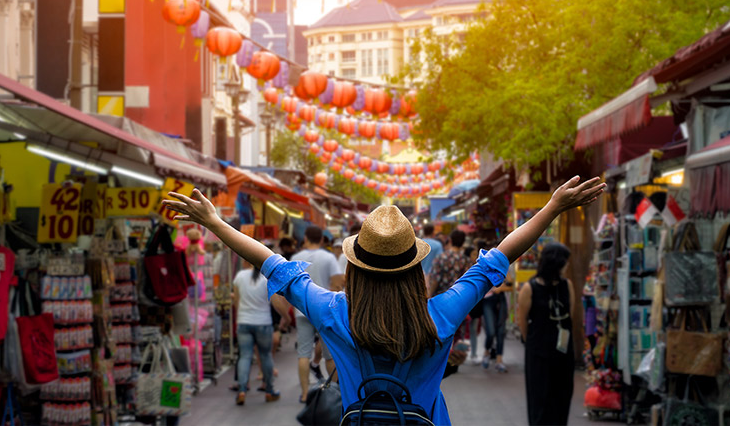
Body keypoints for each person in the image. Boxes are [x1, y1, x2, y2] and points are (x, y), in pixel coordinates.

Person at [164, 175, 604, 425]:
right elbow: (500, 256)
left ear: (356, 266)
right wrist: (552, 208)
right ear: (415, 267)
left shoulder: (335, 313)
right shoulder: (441, 315)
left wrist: (216, 224)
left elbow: (273, 263)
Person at [517, 242, 576, 425]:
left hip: (563, 352)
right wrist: (532, 343)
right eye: (564, 262)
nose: (566, 266)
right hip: (539, 353)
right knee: (539, 399)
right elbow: (522, 320)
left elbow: (570, 315)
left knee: (562, 397)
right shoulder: (530, 288)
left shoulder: (567, 285)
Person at [290, 225, 345, 403]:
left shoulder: (296, 258)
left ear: (305, 238)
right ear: (322, 240)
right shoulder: (328, 257)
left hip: (301, 309)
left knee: (303, 353)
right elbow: (337, 283)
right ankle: (335, 392)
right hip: (324, 309)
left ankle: (305, 393)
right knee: (330, 355)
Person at [232, 260, 284, 405]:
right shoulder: (267, 279)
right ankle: (269, 390)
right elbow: (276, 303)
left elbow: (237, 301)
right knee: (266, 356)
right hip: (263, 323)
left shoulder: (240, 276)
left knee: (245, 356)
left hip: (243, 322)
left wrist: (242, 315)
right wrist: (285, 317)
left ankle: (241, 390)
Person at [481, 242, 516, 372]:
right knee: (490, 331)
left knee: (501, 331)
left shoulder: (506, 266)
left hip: (501, 300)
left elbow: (511, 285)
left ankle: (499, 360)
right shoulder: (484, 266)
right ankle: (486, 352)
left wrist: (501, 288)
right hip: (488, 301)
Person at [428, 229, 469, 297]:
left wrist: (429, 295)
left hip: (442, 296)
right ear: (463, 242)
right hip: (459, 297)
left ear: (450, 240)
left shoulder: (441, 257)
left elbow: (435, 280)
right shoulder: (466, 260)